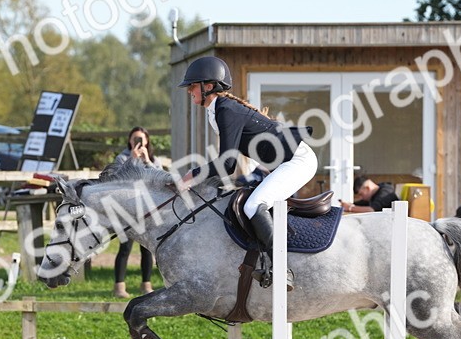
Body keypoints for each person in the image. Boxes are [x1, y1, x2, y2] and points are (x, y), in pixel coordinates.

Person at [177, 56, 317, 290]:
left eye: (192, 85)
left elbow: (228, 162)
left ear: (208, 86)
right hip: (285, 162)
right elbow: (231, 162)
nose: (189, 90)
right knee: (247, 202)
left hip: (298, 161)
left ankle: (283, 270)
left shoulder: (225, 110)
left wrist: (193, 175)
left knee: (254, 205)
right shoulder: (218, 111)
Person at [111, 126, 161, 298]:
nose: (138, 142)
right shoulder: (122, 157)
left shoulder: (153, 159)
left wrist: (147, 161)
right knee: (125, 248)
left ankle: (146, 284)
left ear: (147, 140)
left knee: (146, 248)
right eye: (134, 139)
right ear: (129, 140)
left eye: (141, 139)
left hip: (147, 208)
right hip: (127, 208)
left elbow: (159, 178)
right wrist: (131, 160)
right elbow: (117, 178)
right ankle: (119, 286)